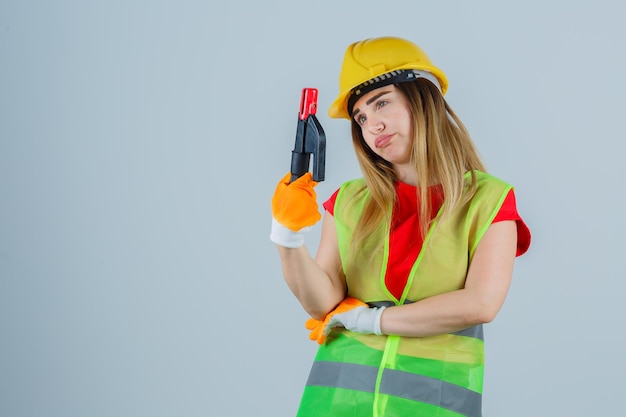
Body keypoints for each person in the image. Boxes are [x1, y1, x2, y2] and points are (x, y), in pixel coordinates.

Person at [270, 36, 531, 417]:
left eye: (382, 103)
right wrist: (287, 237)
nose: (371, 125)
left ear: (422, 100)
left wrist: (370, 320)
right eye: (360, 117)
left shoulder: (488, 201)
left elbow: (481, 303)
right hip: (336, 406)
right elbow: (322, 303)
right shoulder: (348, 202)